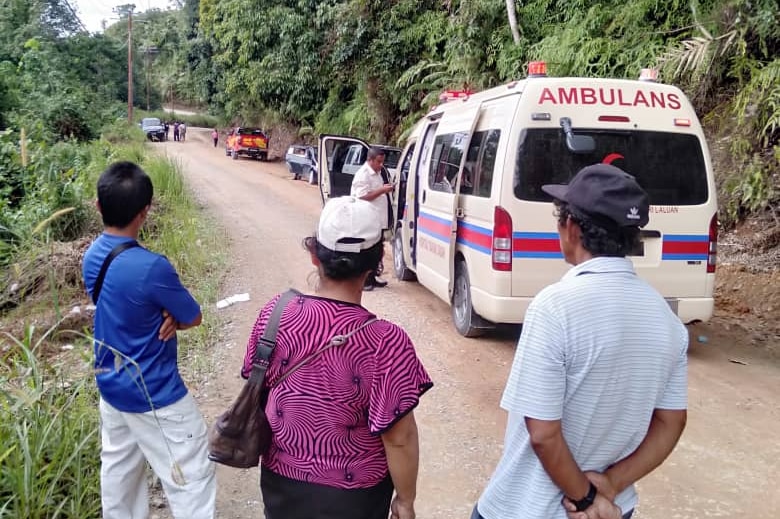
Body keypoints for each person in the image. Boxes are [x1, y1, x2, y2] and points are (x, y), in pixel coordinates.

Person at [472, 164, 688, 519]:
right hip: (615, 507)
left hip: (528, 507)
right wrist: (611, 484)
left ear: (571, 228)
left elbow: (543, 433)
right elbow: (671, 422)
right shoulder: (665, 318)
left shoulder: (554, 307)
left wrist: (585, 498)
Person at [241, 196, 432, 519]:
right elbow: (399, 438)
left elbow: (257, 387)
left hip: (281, 482)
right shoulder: (386, 341)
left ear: (315, 255)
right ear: (377, 261)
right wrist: (405, 499)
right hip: (356, 497)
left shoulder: (275, 315)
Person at [82, 161, 216, 519]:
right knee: (193, 473)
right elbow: (194, 317)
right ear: (145, 212)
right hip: (154, 393)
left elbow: (113, 305)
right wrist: (171, 317)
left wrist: (161, 315)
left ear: (98, 206)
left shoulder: (92, 255)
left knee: (119, 472)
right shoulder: (151, 267)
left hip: (110, 385)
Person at [350, 147, 394, 290]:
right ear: (370, 160)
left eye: (382, 162)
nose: (381, 165)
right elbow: (362, 196)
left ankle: (373, 277)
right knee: (367, 249)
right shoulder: (363, 175)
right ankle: (364, 281)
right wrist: (382, 190)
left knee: (377, 249)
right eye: (379, 161)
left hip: (378, 219)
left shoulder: (378, 173)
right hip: (366, 219)